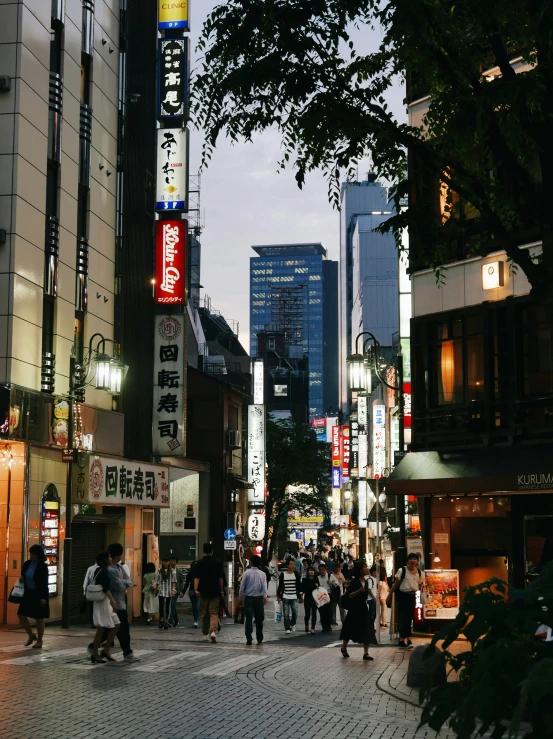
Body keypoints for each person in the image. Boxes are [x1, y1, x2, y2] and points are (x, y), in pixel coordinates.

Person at [340, 561, 377, 660]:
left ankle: (366, 653)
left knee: (367, 629)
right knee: (349, 629)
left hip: (363, 608)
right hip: (354, 609)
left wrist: (373, 597)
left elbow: (368, 591)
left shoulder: (367, 581)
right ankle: (343, 648)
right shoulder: (354, 581)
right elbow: (350, 595)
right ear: (360, 570)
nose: (367, 568)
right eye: (364, 567)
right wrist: (359, 591)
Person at [90, 551, 120, 664]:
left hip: (105, 602)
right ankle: (95, 653)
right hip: (103, 602)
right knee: (101, 628)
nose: (111, 558)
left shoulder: (101, 570)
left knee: (116, 624)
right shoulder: (102, 571)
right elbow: (105, 588)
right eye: (109, 557)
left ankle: (106, 649)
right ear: (106, 559)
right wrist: (113, 600)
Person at [18, 544, 49, 649]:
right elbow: (23, 575)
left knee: (39, 617)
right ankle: (31, 635)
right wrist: (22, 579)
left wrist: (43, 597)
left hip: (38, 593)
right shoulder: (27, 564)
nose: (32, 556)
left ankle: (39, 640)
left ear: (39, 554)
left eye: (34, 554)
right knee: (21, 614)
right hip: (28, 592)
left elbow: (44, 582)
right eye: (31, 553)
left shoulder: (42, 566)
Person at [390, 553, 424, 648]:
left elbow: (420, 585)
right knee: (404, 617)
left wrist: (421, 594)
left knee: (409, 617)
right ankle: (403, 639)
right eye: (411, 559)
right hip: (402, 596)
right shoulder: (402, 570)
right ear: (407, 561)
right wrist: (390, 595)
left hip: (412, 596)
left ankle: (407, 639)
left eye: (415, 559)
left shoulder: (420, 573)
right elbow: (396, 584)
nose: (413, 560)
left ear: (417, 561)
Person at [194, 542, 225, 643]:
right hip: (215, 590)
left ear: (203, 551)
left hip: (203, 591)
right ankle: (213, 631)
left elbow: (197, 578)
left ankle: (205, 634)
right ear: (212, 552)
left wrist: (196, 589)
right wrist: (221, 591)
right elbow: (220, 579)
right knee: (213, 612)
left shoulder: (199, 563)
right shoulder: (217, 563)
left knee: (204, 613)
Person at [107, 542, 134, 658]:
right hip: (115, 603)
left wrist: (124, 582)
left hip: (119, 602)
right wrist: (124, 583)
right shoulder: (111, 570)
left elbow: (129, 581)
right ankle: (126, 651)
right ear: (118, 555)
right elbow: (122, 586)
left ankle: (98, 647)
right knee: (121, 629)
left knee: (115, 628)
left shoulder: (120, 567)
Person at [239, 554, 268, 645]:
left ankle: (249, 637)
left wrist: (241, 597)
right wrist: (265, 596)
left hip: (249, 598)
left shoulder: (246, 573)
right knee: (259, 619)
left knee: (248, 618)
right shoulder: (262, 574)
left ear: (251, 562)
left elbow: (242, 587)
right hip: (259, 599)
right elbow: (264, 586)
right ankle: (259, 637)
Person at [277, 558, 302, 633]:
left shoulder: (296, 574)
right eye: (291, 564)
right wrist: (278, 595)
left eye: (293, 564)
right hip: (285, 596)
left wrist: (300, 595)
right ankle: (287, 628)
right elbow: (280, 585)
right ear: (287, 565)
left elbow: (299, 585)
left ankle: (293, 623)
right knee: (286, 613)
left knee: (295, 612)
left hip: (294, 596)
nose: (293, 566)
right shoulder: (283, 574)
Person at [316, 563, 339, 632]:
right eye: (320, 570)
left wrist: (331, 583)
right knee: (322, 612)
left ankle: (328, 626)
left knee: (329, 611)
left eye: (323, 570)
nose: (321, 571)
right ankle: (324, 627)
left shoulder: (330, 576)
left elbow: (337, 583)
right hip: (320, 596)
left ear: (326, 570)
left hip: (328, 595)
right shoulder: (318, 577)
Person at [156, 555, 176, 630]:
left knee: (167, 606)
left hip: (168, 590)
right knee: (161, 606)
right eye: (164, 561)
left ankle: (166, 621)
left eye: (167, 561)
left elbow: (174, 581)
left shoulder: (172, 571)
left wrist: (173, 590)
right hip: (161, 590)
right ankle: (161, 619)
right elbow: (158, 581)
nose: (165, 563)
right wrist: (156, 589)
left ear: (168, 562)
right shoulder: (159, 570)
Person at [301, 566, 319, 633]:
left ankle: (313, 628)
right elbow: (302, 589)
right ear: (307, 571)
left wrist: (317, 586)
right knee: (307, 613)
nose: (311, 572)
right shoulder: (304, 580)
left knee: (314, 613)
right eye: (310, 570)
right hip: (307, 598)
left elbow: (319, 589)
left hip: (314, 599)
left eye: (312, 570)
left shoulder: (316, 580)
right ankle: (306, 624)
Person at [83, 559, 100, 629]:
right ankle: (98, 622)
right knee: (98, 608)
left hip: (91, 591)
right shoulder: (104, 569)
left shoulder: (90, 569)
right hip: (100, 592)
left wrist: (84, 591)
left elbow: (86, 580)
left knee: (91, 608)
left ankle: (92, 623)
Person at [169, 556, 186, 627]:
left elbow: (181, 581)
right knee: (172, 606)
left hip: (176, 590)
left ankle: (171, 621)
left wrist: (181, 591)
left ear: (176, 562)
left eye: (174, 561)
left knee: (172, 605)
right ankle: (176, 620)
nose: (172, 562)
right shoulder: (168, 570)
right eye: (171, 561)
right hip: (168, 590)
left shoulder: (178, 571)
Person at [182, 560, 200, 627]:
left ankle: (196, 620)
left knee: (196, 606)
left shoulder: (197, 573)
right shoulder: (190, 574)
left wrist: (183, 592)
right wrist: (183, 592)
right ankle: (195, 620)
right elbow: (187, 583)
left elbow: (187, 584)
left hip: (196, 591)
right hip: (193, 591)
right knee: (195, 606)